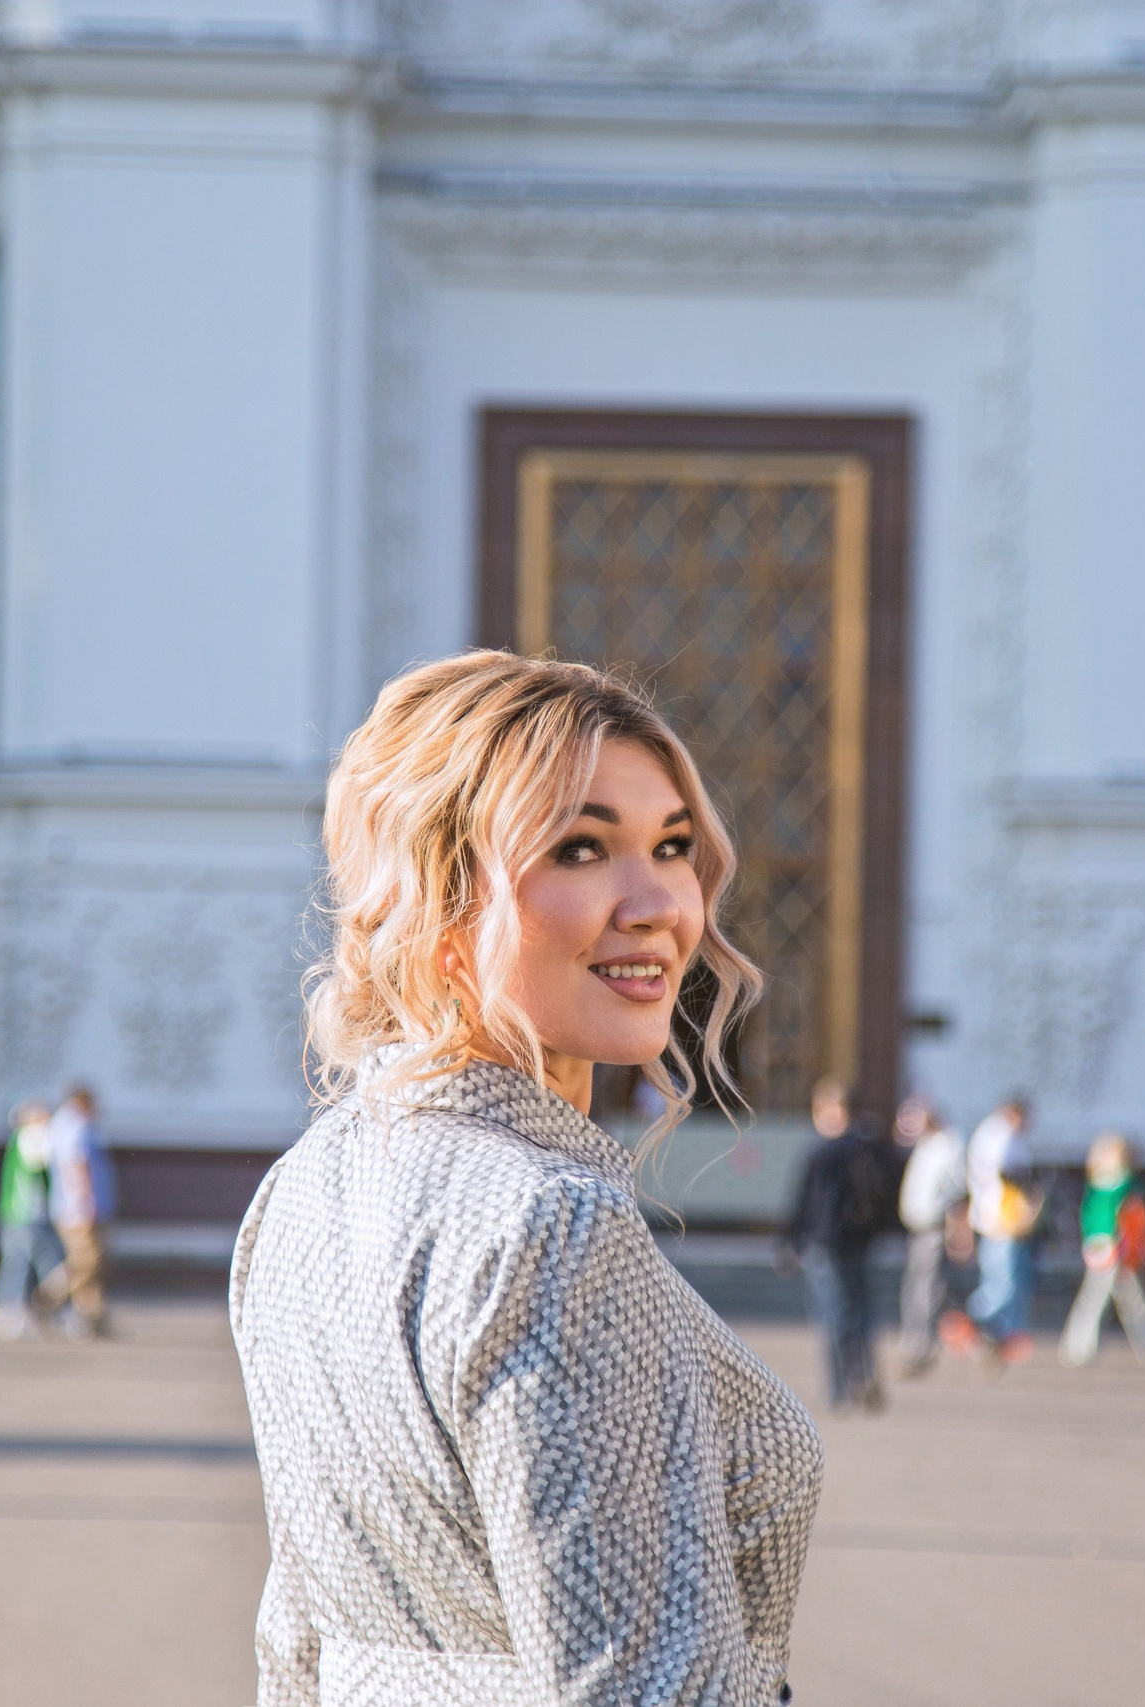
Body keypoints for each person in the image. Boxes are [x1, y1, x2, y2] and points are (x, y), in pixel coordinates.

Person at [231, 651, 821, 1705]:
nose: (657, 906)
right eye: (583, 848)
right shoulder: (552, 1224)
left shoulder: (300, 1188)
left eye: (673, 848)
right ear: (439, 894)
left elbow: (292, 1644)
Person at [780, 1076, 892, 1413]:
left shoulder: (820, 1152)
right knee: (862, 1312)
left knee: (831, 1314)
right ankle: (866, 1374)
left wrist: (788, 1242)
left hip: (824, 1243)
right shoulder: (871, 1147)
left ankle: (838, 1388)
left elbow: (802, 1201)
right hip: (861, 1241)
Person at [1059, 1131, 1145, 1368]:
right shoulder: (1123, 1184)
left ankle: (1078, 1348)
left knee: (1107, 1299)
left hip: (1103, 1246)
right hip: (1115, 1247)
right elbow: (1131, 1217)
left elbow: (1089, 1218)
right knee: (1123, 1300)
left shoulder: (1098, 1184)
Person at [945, 1095, 1039, 1366]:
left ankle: (999, 1337)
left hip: (995, 1217)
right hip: (1001, 1218)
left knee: (1004, 1277)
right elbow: (1008, 1172)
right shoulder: (1001, 1134)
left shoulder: (988, 1132)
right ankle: (971, 1321)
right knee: (1002, 1280)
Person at [894, 1096, 966, 1376]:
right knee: (918, 1287)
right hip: (917, 1227)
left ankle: (920, 1347)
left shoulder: (949, 1145)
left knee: (926, 1288)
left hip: (934, 1227)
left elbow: (956, 1192)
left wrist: (958, 1231)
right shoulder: (926, 1145)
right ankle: (918, 1341)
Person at [38, 1084, 115, 1338]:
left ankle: (92, 1315)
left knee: (92, 1261)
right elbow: (76, 1164)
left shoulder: (65, 1125)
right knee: (86, 1261)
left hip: (76, 1207)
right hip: (79, 1209)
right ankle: (51, 1293)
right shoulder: (74, 1125)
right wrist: (85, 1200)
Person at [0, 1100, 63, 1341]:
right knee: (47, 1261)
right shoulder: (28, 1137)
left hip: (17, 1213)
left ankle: (11, 1310)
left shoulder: (20, 1138)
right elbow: (39, 1160)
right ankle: (53, 1310)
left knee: (17, 1261)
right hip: (25, 1214)